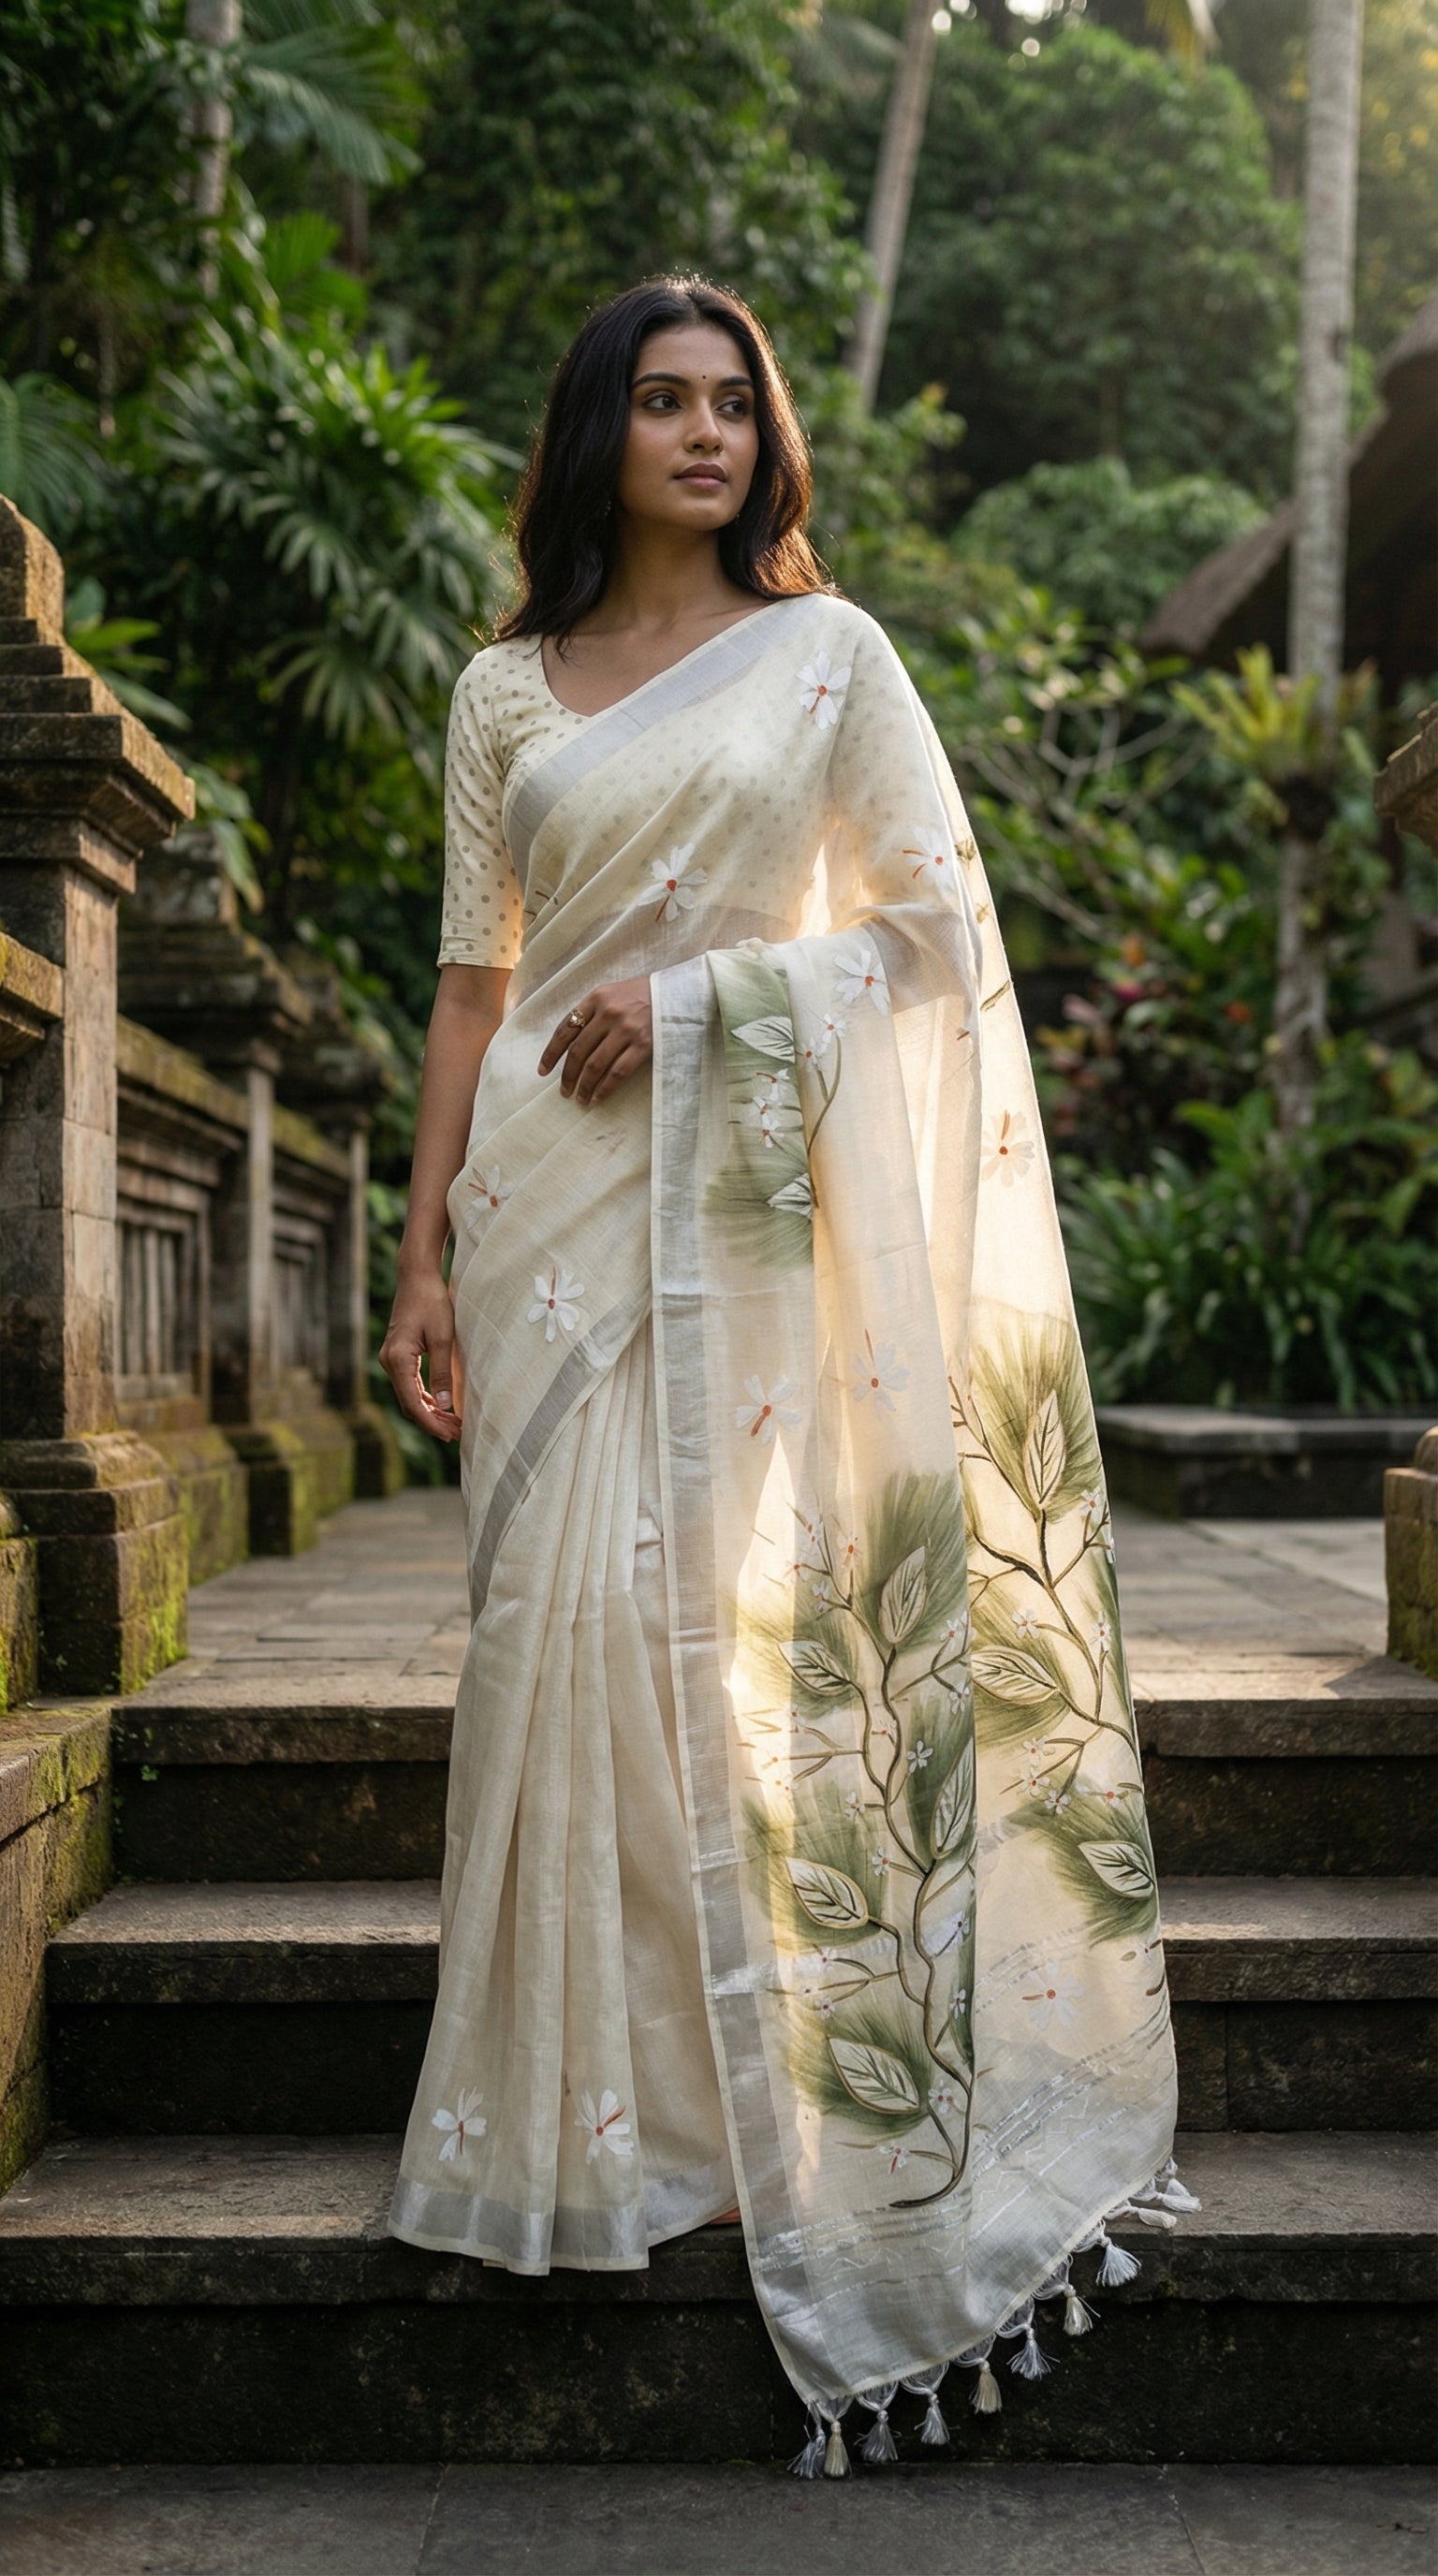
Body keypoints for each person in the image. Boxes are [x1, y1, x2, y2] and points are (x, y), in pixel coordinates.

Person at [381, 273, 1192, 2474]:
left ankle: (760, 2107)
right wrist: (419, 1245)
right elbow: (474, 989)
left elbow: (934, 934)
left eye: (733, 402)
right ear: (598, 432)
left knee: (724, 1633)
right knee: (553, 1624)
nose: (706, 433)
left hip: (735, 1202)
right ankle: (580, 2112)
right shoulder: (498, 691)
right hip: (543, 1209)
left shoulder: (835, 660)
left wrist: (720, 995)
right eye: (662, 401)